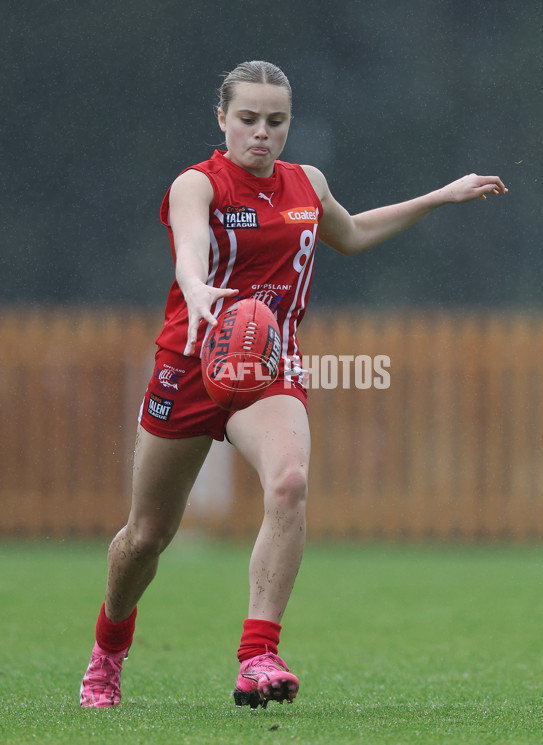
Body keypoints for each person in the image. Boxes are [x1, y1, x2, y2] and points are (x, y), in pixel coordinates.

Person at [79, 60, 507, 710]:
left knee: (289, 482)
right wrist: (194, 287)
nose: (261, 132)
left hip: (268, 361)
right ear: (222, 118)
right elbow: (190, 245)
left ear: (288, 124)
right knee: (145, 536)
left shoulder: (306, 183)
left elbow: (354, 232)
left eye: (275, 121)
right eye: (247, 118)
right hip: (191, 360)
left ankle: (258, 655)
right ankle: (108, 651)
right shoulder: (199, 183)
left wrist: (438, 197)